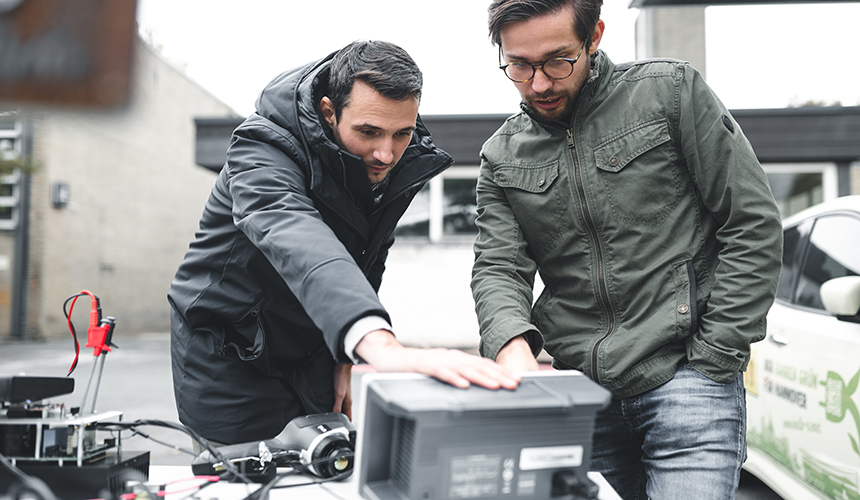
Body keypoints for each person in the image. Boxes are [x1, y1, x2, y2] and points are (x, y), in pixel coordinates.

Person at [470, 1, 783, 498]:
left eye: (558, 60)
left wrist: (717, 352)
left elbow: (751, 223)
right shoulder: (500, 155)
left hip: (689, 377)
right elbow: (498, 267)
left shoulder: (671, 93)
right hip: (580, 393)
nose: (540, 83)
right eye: (520, 66)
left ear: (593, 35)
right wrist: (512, 347)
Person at [168, 40, 519, 446]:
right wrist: (377, 343)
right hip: (229, 355)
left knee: (323, 474)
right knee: (250, 483)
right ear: (328, 111)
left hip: (317, 348)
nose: (386, 154)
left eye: (402, 133)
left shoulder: (389, 161)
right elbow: (294, 233)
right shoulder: (262, 147)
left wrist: (344, 357)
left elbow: (369, 257)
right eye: (368, 132)